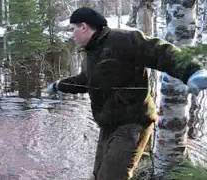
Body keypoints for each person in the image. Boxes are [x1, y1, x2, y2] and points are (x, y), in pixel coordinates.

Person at [46, 7, 207, 180]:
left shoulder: (123, 39)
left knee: (111, 177)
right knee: (97, 174)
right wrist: (59, 85)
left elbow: (160, 52)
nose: (72, 35)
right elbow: (86, 80)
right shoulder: (92, 52)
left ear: (84, 27)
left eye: (73, 29)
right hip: (108, 125)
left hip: (133, 123)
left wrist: (192, 70)